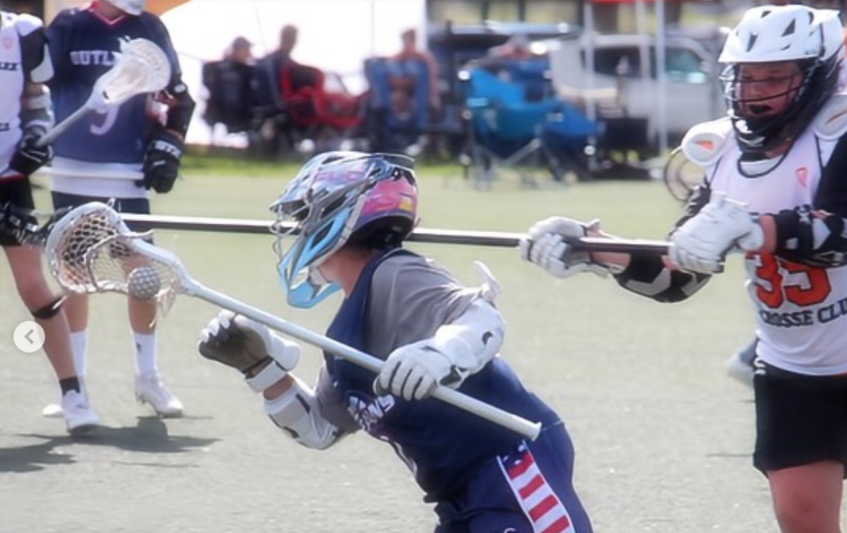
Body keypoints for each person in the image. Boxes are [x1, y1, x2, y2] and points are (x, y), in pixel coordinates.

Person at [520, 6, 847, 533]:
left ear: (817, 75)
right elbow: (677, 276)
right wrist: (594, 249)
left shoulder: (845, 132)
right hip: (794, 372)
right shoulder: (722, 152)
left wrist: (753, 228)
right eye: (747, 77)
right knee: (803, 521)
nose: (756, 91)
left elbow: (842, 235)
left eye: (774, 77)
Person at [196, 152, 593, 533]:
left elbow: (482, 319)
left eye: (304, 216)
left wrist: (438, 355)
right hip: (457, 499)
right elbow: (321, 428)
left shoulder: (397, 275)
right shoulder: (344, 335)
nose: (299, 230)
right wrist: (261, 368)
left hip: (511, 470)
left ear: (340, 217)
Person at [46, 0, 195, 417]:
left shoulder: (149, 27)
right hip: (70, 171)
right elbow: (36, 84)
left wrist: (170, 142)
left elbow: (179, 98)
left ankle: (147, 375)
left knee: (142, 277)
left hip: (126, 171)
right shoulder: (70, 24)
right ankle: (73, 382)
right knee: (73, 278)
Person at [0, 8, 99, 434]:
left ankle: (74, 394)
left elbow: (35, 95)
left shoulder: (22, 33)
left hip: (9, 179)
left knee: (35, 287)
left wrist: (37, 135)